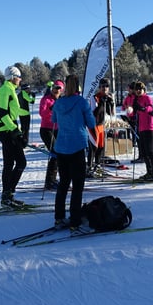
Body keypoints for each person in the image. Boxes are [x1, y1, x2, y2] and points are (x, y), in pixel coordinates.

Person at [52, 74, 96, 231]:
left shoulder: (59, 102)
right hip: (77, 146)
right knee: (77, 186)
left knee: (63, 184)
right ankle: (75, 220)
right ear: (78, 86)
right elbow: (91, 123)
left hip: (62, 147)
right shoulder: (82, 102)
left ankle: (59, 217)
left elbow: (53, 120)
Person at [0, 65, 27, 208]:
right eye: (19, 77)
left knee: (9, 164)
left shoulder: (10, 89)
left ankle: (7, 197)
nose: (20, 79)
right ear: (13, 77)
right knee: (21, 162)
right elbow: (3, 113)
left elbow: (13, 110)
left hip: (8, 129)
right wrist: (15, 131)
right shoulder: (5, 89)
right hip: (7, 131)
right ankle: (8, 194)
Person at [127, 81, 153, 181]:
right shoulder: (136, 100)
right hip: (141, 128)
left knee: (150, 152)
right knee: (144, 152)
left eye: (140, 89)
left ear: (144, 90)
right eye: (136, 89)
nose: (138, 91)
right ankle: (149, 172)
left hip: (150, 128)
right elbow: (133, 113)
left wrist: (143, 108)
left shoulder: (147, 98)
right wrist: (129, 114)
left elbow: (150, 108)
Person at [39, 79, 64, 190]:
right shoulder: (46, 99)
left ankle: (53, 179)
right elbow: (42, 113)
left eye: (59, 88)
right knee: (55, 152)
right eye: (55, 88)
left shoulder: (62, 100)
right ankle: (49, 181)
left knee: (60, 153)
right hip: (46, 129)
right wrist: (51, 109)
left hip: (58, 129)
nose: (56, 90)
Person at [87, 77, 115, 176]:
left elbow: (110, 113)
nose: (104, 88)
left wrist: (111, 103)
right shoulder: (94, 98)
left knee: (101, 146)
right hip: (92, 125)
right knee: (93, 147)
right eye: (102, 86)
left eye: (106, 86)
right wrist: (101, 103)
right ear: (99, 87)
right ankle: (89, 167)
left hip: (101, 125)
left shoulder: (107, 97)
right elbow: (94, 113)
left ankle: (97, 165)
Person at [122, 81, 142, 163]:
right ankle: (132, 145)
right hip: (129, 118)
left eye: (130, 88)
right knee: (130, 132)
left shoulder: (136, 97)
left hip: (136, 118)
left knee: (138, 136)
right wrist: (125, 108)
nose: (128, 90)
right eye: (128, 88)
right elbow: (123, 107)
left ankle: (142, 155)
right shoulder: (128, 97)